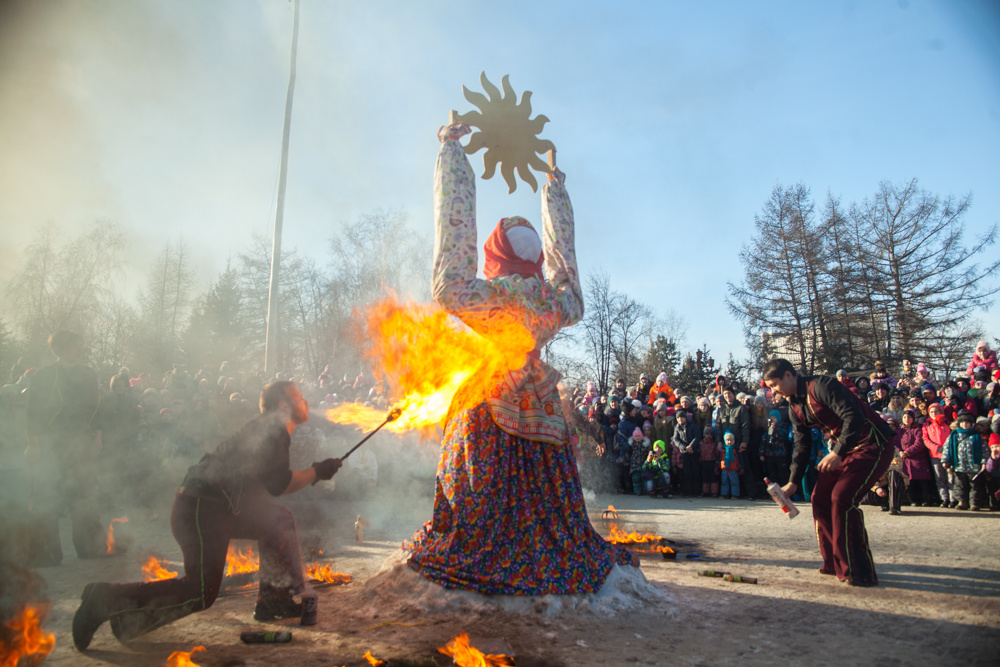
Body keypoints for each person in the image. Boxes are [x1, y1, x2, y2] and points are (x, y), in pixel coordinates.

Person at [402, 121, 637, 595]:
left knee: (476, 480)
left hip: (489, 398)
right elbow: (569, 274)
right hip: (541, 406)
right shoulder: (552, 304)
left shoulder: (485, 296)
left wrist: (452, 157)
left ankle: (483, 552)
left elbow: (449, 270)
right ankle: (547, 554)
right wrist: (555, 189)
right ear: (534, 260)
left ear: (494, 253)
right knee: (547, 486)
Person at [71, 381, 343, 650]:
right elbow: (280, 485)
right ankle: (104, 598)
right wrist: (317, 471)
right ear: (283, 405)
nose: (306, 402)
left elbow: (275, 484)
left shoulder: (271, 430)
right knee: (201, 593)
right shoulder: (273, 430)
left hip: (220, 508)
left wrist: (317, 472)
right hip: (202, 508)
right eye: (300, 397)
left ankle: (273, 601)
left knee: (277, 521)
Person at [762, 358, 895, 587]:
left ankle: (858, 570)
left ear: (788, 375)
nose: (773, 391)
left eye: (774, 384)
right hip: (843, 451)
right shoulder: (794, 406)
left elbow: (854, 417)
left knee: (842, 498)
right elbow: (801, 446)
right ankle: (834, 563)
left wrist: (837, 453)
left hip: (872, 445)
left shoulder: (822, 386)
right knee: (819, 498)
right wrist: (793, 482)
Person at [25, 330, 106, 565]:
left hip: (80, 441)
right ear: (60, 348)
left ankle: (90, 547)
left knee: (85, 494)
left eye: (80, 344)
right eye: (73, 345)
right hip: (51, 442)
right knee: (46, 498)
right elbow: (33, 413)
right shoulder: (44, 376)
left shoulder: (88, 375)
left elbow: (96, 407)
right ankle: (45, 553)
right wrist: (34, 445)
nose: (79, 349)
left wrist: (97, 437)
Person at [942, 411, 988, 511]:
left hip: (974, 466)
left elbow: (984, 450)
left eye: (967, 422)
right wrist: (945, 460)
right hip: (959, 466)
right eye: (963, 422)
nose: (965, 424)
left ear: (971, 424)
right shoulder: (954, 436)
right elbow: (946, 449)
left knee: (975, 486)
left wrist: (984, 462)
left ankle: (974, 503)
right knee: (959, 485)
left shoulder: (977, 436)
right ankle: (962, 502)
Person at [897, 409, 934, 506]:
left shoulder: (918, 429)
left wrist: (908, 452)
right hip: (905, 459)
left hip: (918, 458)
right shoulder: (900, 430)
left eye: (909, 417)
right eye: (904, 417)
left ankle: (926, 500)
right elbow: (896, 442)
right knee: (909, 480)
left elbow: (919, 444)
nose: (907, 419)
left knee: (922, 480)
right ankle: (912, 500)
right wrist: (900, 452)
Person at [922, 403, 953, 507]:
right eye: (931, 412)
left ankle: (953, 498)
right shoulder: (927, 425)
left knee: (951, 477)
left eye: (936, 411)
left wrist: (946, 448)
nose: (934, 414)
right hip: (935, 454)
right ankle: (944, 498)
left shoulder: (948, 423)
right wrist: (936, 448)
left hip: (948, 454)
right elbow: (925, 439)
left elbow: (952, 437)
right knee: (940, 477)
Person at [672, 410, 700, 496]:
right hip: (684, 452)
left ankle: (696, 491)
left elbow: (697, 436)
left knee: (695, 471)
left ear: (685, 417)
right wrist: (685, 447)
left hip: (694, 451)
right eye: (678, 417)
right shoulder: (677, 427)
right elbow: (676, 439)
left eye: (682, 417)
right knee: (686, 472)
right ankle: (687, 491)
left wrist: (691, 446)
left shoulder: (692, 425)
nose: (680, 419)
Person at [699, 426, 720, 497]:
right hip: (704, 461)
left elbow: (717, 452)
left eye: (710, 434)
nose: (709, 436)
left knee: (713, 477)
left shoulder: (714, 443)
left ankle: (714, 492)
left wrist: (717, 461)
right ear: (704, 435)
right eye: (707, 434)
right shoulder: (701, 443)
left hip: (712, 461)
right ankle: (705, 491)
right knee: (705, 477)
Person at [719, 431, 741, 500]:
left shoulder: (736, 450)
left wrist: (741, 467)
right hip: (725, 469)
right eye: (727, 440)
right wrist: (717, 465)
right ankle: (724, 494)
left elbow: (740, 459)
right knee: (724, 481)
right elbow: (719, 459)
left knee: (734, 482)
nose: (729, 442)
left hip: (733, 469)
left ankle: (735, 494)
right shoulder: (722, 450)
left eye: (731, 440)